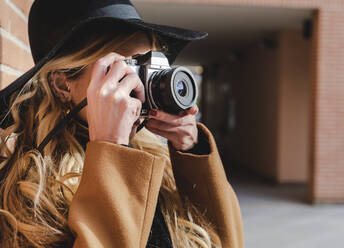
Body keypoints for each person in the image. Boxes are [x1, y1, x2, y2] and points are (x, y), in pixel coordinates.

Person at [0, 0, 244, 247]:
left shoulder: (157, 161)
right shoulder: (29, 190)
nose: (139, 87)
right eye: (124, 71)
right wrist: (111, 150)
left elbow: (227, 241)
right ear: (63, 85)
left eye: (146, 69)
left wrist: (191, 151)